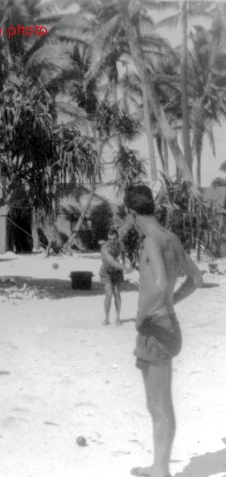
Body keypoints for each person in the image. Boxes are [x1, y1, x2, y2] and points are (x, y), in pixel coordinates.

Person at [124, 185, 203, 477]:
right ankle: (158, 467)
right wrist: (173, 300)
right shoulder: (171, 239)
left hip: (155, 328)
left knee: (157, 407)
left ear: (132, 213)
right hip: (172, 326)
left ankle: (160, 472)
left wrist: (140, 316)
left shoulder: (150, 241)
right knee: (162, 404)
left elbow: (157, 285)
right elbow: (195, 279)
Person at [99, 228, 131, 326]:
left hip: (117, 272)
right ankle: (106, 318)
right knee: (109, 294)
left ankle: (117, 318)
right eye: (110, 239)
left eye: (114, 239)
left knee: (117, 294)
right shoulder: (104, 248)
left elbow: (123, 254)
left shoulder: (120, 245)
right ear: (108, 239)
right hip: (106, 272)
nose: (112, 241)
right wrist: (126, 268)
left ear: (117, 239)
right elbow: (111, 261)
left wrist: (125, 262)